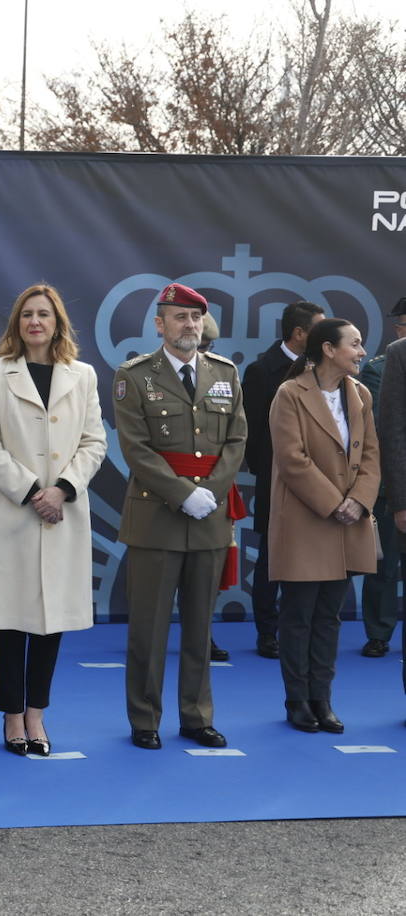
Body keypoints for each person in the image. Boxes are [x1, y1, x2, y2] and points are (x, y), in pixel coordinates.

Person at [0, 285, 106, 756]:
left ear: (58, 322)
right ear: (16, 323)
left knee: (51, 622)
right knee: (10, 620)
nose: (35, 322)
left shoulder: (82, 375)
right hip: (12, 510)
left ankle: (37, 716)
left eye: (44, 314)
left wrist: (63, 489)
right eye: (27, 314)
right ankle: (11, 717)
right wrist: (31, 492)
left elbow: (94, 442)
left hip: (62, 511)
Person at [113, 282, 246, 750]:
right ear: (160, 324)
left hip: (209, 516)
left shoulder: (225, 373)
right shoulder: (135, 375)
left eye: (194, 319)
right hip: (157, 516)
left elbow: (236, 440)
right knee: (148, 628)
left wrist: (210, 492)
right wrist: (181, 494)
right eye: (178, 318)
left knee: (199, 629)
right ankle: (145, 719)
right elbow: (136, 448)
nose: (188, 326)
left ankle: (196, 715)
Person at [268, 318, 378, 733]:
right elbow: (292, 459)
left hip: (347, 521)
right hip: (306, 520)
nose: (362, 351)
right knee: (298, 615)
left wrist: (360, 501)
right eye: (355, 344)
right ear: (328, 350)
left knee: (330, 616)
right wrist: (337, 504)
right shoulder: (290, 393)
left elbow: (371, 455)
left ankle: (323, 700)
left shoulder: (361, 395)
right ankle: (297, 701)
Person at [242, 300, 325, 659]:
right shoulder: (262, 370)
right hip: (276, 479)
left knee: (314, 555)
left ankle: (305, 629)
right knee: (271, 556)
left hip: (320, 479)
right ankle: (267, 631)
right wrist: (273, 472)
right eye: (318, 329)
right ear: (299, 334)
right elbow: (253, 432)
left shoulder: (325, 368)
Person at [355, 296, 406, 658]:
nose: (401, 330)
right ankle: (379, 632)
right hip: (393, 480)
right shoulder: (381, 366)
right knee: (384, 567)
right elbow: (387, 427)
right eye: (401, 324)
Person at [198, 313, 231, 663]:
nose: (204, 350)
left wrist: (216, 485)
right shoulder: (148, 374)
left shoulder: (223, 375)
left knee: (208, 571)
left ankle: (203, 630)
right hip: (169, 486)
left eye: (209, 346)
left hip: (213, 485)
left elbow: (234, 437)